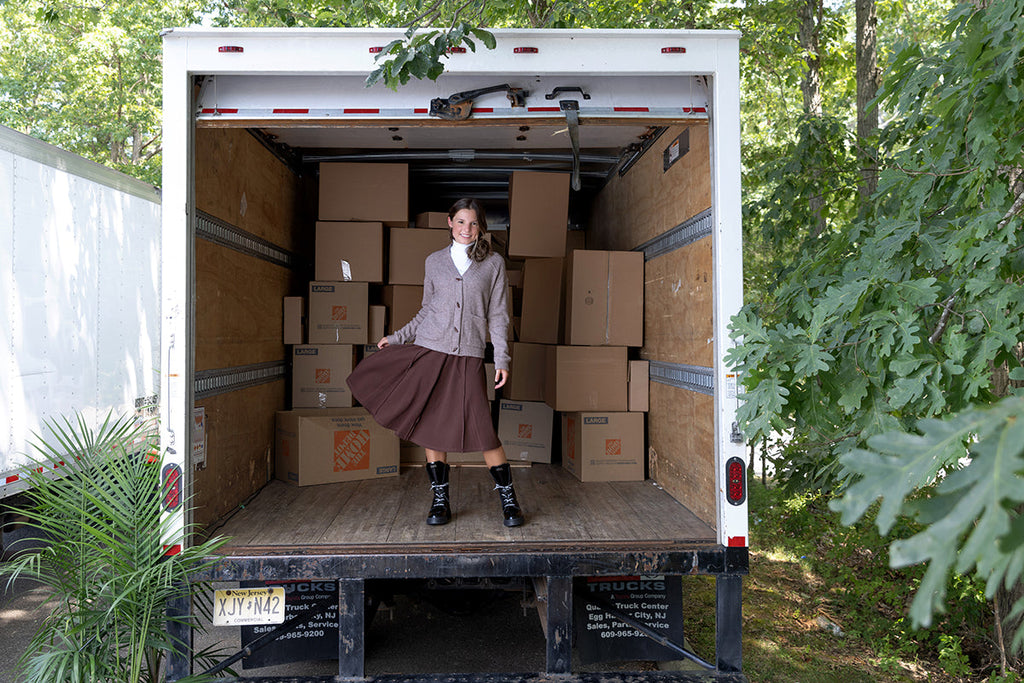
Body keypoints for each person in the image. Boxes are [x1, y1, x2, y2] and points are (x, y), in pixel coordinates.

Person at [346, 198, 524, 527]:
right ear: (449, 223)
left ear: (481, 227)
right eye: (460, 222)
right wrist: (398, 337)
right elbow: (427, 309)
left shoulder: (494, 264)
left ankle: (509, 500)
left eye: (473, 224)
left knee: (484, 431)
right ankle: (440, 499)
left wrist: (501, 356)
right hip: (430, 350)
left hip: (469, 355)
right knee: (431, 427)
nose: (466, 230)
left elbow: (499, 315)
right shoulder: (434, 262)